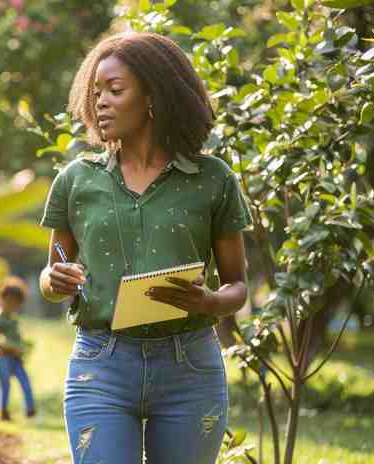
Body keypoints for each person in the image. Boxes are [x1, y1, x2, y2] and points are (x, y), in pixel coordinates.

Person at [39, 32, 251, 464]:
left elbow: (238, 286)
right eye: (96, 92)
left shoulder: (212, 179)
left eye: (115, 90)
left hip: (189, 367)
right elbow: (52, 277)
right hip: (101, 365)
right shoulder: (77, 180)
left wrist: (208, 301)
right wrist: (53, 279)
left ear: (153, 95)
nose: (101, 102)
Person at [0, 276, 36, 421]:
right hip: (2, 358)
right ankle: (3, 413)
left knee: (26, 382)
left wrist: (22, 347)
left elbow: (13, 336)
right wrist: (12, 349)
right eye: (10, 301)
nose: (12, 304)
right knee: (5, 386)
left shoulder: (11, 315)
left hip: (15, 358)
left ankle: (30, 410)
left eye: (16, 302)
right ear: (2, 298)